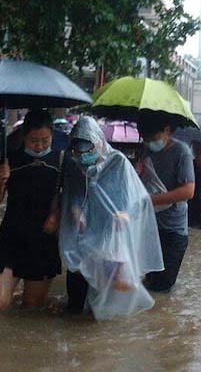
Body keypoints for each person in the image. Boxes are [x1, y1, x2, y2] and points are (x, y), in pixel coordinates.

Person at [57, 116, 163, 319]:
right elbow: (72, 193)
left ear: (98, 142)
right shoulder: (72, 162)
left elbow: (135, 197)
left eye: (88, 151)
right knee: (76, 301)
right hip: (82, 235)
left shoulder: (118, 162)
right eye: (78, 152)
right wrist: (76, 209)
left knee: (107, 293)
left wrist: (125, 214)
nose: (83, 157)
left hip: (109, 235)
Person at [0, 110, 62, 310]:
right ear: (24, 137)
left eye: (45, 140)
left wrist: (56, 215)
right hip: (11, 237)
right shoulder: (10, 159)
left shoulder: (61, 160)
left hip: (43, 240)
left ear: (52, 135)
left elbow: (69, 197)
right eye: (33, 141)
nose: (39, 146)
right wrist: (0, 182)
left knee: (31, 308)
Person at [138, 119, 195, 293]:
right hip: (150, 227)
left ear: (167, 130)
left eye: (153, 137)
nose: (149, 142)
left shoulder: (181, 152)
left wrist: (151, 200)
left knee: (162, 288)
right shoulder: (145, 150)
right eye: (145, 138)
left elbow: (188, 191)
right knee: (148, 283)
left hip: (173, 231)